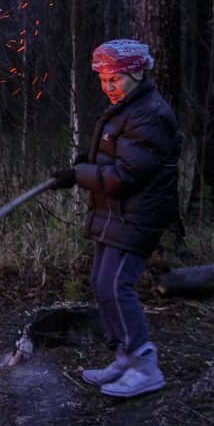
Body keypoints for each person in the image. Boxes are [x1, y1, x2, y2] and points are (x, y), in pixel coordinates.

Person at [50, 39, 181, 398]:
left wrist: (79, 175)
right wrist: (88, 157)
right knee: (101, 282)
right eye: (104, 79)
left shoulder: (149, 113)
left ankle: (144, 365)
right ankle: (123, 357)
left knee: (118, 286)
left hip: (138, 216)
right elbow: (119, 153)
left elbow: (126, 176)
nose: (109, 86)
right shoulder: (126, 108)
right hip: (116, 216)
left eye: (116, 79)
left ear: (137, 74)